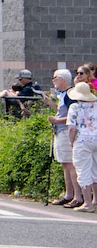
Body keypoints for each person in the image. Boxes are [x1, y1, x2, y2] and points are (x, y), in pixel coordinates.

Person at [45, 69, 82, 208]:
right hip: (61, 131)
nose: (53, 80)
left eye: (55, 78)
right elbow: (62, 112)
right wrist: (50, 104)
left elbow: (74, 116)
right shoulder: (63, 95)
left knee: (70, 164)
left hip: (67, 131)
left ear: (62, 79)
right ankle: (69, 194)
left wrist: (57, 120)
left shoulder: (70, 95)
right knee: (65, 163)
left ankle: (77, 196)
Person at [66, 82, 97, 213]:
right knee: (95, 170)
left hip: (82, 141)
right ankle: (95, 200)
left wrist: (71, 142)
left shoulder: (74, 107)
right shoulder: (96, 106)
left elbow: (71, 128)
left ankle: (87, 203)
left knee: (83, 170)